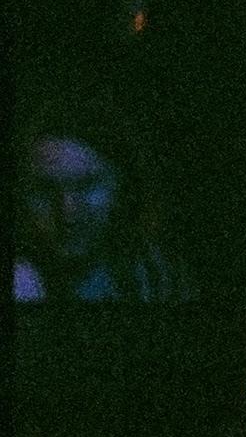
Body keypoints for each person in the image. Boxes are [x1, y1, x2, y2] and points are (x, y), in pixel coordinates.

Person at [14, 84, 194, 303]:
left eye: (86, 186)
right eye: (44, 190)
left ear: (122, 187)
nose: (67, 212)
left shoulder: (158, 278)